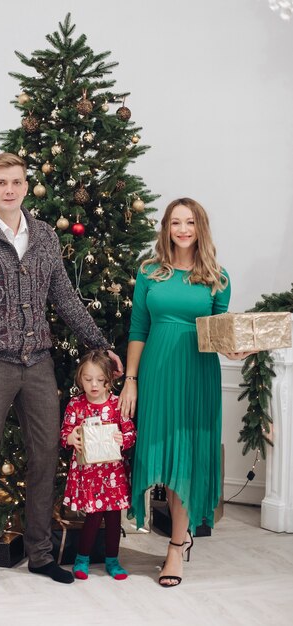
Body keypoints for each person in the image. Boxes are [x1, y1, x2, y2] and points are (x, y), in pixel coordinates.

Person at [0, 153, 123, 593]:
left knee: (45, 457)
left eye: (17, 181)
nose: (9, 189)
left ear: (26, 186)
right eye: (1, 181)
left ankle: (41, 555)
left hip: (37, 362)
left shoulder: (42, 236)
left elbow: (65, 297)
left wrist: (100, 345)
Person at [118, 197, 253, 587]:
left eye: (189, 222)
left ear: (200, 228)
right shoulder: (149, 272)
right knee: (159, 453)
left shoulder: (217, 277)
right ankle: (178, 533)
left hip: (197, 376)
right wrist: (131, 380)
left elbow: (218, 335)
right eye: (175, 222)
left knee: (185, 459)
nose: (182, 229)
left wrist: (236, 348)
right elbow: (138, 329)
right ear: (166, 228)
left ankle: (176, 547)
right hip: (158, 374)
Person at [60, 350, 136, 580]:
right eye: (88, 379)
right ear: (79, 378)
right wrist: (71, 438)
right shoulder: (76, 405)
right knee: (92, 517)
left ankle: (112, 560)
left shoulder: (116, 404)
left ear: (110, 380)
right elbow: (64, 433)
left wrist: (124, 439)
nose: (94, 385)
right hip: (89, 474)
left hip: (113, 474)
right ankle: (82, 559)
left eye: (100, 380)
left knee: (113, 518)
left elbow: (131, 432)